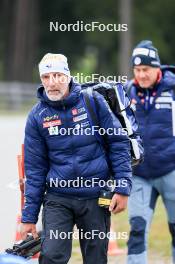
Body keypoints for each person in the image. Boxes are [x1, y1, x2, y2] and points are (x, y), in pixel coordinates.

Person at [20, 53, 133, 264]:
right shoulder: (37, 116)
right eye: (46, 77)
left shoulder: (93, 101)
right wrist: (29, 218)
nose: (52, 83)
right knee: (52, 256)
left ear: (68, 76)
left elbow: (118, 144)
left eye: (57, 75)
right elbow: (35, 170)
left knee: (96, 259)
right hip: (58, 198)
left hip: (96, 195)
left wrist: (122, 188)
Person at [126, 40, 175, 264]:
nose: (142, 75)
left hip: (170, 171)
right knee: (137, 230)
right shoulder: (126, 93)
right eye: (137, 70)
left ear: (157, 68)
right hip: (140, 174)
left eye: (146, 69)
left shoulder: (172, 89)